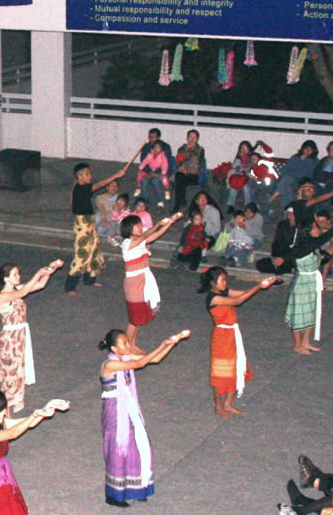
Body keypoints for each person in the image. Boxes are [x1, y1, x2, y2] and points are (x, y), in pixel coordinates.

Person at [98, 328, 189, 507]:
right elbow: (141, 364)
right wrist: (163, 344)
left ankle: (136, 488)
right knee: (119, 450)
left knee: (138, 445)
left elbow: (154, 359)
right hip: (116, 411)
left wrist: (170, 344)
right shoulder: (110, 365)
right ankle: (114, 494)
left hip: (128, 407)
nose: (128, 346)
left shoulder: (123, 358)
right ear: (114, 349)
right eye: (124, 343)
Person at [0, 387, 69, 515]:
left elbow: (29, 424)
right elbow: (13, 433)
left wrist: (46, 409)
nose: (5, 412)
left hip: (1, 480)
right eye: (2, 409)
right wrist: (34, 415)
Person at [199, 267, 275, 417]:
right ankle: (218, 405)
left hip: (232, 334)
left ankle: (228, 403)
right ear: (213, 283)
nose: (225, 283)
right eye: (223, 280)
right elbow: (239, 300)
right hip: (221, 337)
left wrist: (261, 285)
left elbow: (242, 294)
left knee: (236, 367)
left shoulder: (223, 292)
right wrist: (259, 286)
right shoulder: (213, 298)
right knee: (221, 371)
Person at [0, 260, 62, 414]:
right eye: (15, 274)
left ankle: (8, 413)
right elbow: (23, 293)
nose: (18, 276)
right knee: (9, 376)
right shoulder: (2, 297)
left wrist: (50, 269)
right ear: (6, 278)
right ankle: (4, 414)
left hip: (19, 338)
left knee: (18, 374)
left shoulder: (16, 288)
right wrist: (38, 273)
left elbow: (39, 285)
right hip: (10, 341)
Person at [284, 213, 333, 354]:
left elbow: (325, 239)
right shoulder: (303, 247)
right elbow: (326, 237)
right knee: (299, 313)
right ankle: (298, 345)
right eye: (315, 228)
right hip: (302, 283)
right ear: (308, 231)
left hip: (312, 281)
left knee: (311, 312)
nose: (317, 230)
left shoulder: (311, 244)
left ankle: (306, 341)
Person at [120, 212, 182, 352]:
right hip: (134, 283)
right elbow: (147, 235)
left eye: (140, 225)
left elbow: (156, 235)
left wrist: (170, 222)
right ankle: (127, 347)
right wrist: (158, 224)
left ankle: (133, 344)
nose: (140, 227)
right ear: (129, 228)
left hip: (142, 280)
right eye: (137, 225)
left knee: (139, 316)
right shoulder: (127, 243)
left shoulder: (139, 242)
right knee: (134, 319)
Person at [66, 162, 127, 295]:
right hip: (82, 225)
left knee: (93, 250)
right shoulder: (83, 188)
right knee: (82, 252)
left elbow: (75, 187)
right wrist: (116, 175)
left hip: (89, 221)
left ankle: (89, 280)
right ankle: (70, 286)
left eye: (90, 173)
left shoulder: (78, 184)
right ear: (80, 176)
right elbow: (99, 185)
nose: (90, 176)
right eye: (87, 174)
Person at [271, 140, 319, 207]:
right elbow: (285, 170)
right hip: (291, 181)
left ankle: (274, 196)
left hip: (304, 183)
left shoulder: (315, 161)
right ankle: (288, 209)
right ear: (302, 149)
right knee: (288, 187)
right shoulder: (295, 158)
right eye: (306, 148)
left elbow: (312, 175)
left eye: (310, 149)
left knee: (288, 180)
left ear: (314, 151)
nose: (307, 150)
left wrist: (308, 160)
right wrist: (287, 177)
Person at [255, 205, 299, 275]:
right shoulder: (282, 225)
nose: (291, 217)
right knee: (261, 264)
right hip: (282, 254)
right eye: (289, 214)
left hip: (293, 256)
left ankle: (280, 272)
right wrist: (275, 257)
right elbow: (277, 242)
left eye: (293, 215)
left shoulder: (302, 227)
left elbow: (300, 249)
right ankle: (283, 270)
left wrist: (284, 258)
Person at [172, 129, 206, 213]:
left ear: (197, 139)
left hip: (193, 174)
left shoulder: (200, 150)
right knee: (178, 176)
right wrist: (181, 167)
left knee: (179, 182)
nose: (192, 139)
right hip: (183, 174)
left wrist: (186, 167)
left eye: (194, 137)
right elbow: (179, 161)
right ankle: (181, 203)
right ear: (187, 138)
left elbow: (196, 161)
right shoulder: (181, 149)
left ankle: (178, 205)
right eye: (190, 136)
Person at [136, 140, 171, 208]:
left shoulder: (163, 157)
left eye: (158, 147)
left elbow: (165, 167)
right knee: (144, 180)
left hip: (159, 174)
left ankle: (160, 201)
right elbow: (144, 162)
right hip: (149, 172)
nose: (156, 149)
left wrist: (159, 174)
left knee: (156, 181)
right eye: (155, 147)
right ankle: (144, 202)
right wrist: (140, 168)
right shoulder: (150, 155)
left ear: (162, 149)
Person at [226, 140, 254, 210]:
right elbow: (236, 168)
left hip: (250, 177)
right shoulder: (239, 158)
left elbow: (251, 168)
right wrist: (239, 159)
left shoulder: (252, 157)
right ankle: (231, 205)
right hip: (240, 177)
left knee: (246, 187)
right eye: (242, 148)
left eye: (245, 148)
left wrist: (244, 172)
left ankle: (247, 206)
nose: (243, 150)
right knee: (234, 186)